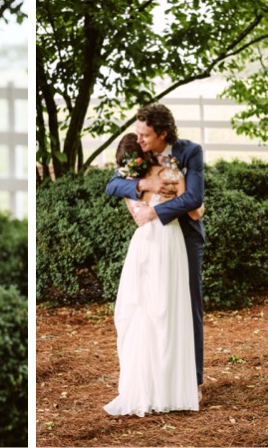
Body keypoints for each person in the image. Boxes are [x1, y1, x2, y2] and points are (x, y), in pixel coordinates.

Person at [103, 131, 200, 416]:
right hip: (169, 243)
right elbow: (196, 211)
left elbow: (139, 215)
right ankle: (171, 388)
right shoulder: (170, 172)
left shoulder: (129, 185)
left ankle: (144, 386)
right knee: (168, 312)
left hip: (143, 243)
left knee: (140, 313)